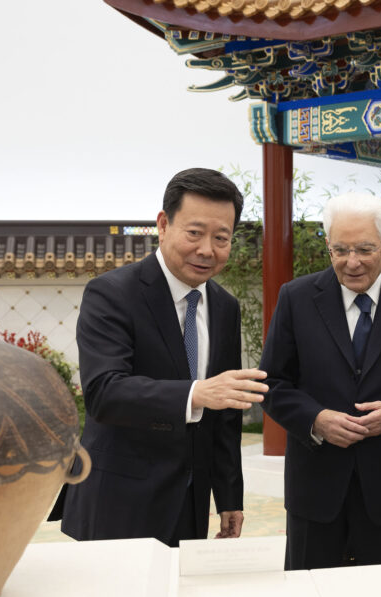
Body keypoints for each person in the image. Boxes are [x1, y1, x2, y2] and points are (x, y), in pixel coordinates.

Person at [62, 168, 269, 546]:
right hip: (119, 502)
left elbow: (224, 416)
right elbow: (104, 392)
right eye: (194, 233)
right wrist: (195, 394)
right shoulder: (111, 293)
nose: (207, 249)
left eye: (221, 238)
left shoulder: (224, 306)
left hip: (190, 504)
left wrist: (229, 498)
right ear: (163, 224)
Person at [260, 192, 381, 570]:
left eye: (365, 249)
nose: (352, 262)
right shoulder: (296, 298)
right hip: (315, 490)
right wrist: (315, 419)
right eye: (340, 250)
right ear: (328, 247)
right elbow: (274, 383)